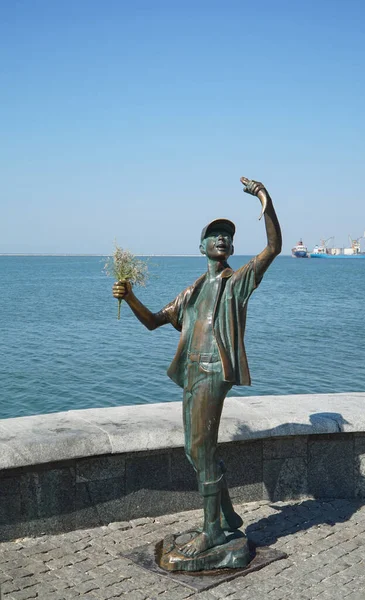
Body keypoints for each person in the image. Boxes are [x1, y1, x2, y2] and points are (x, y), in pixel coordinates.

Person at [113, 177, 282, 558]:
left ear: (232, 247)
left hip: (213, 371)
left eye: (227, 236)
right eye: (214, 235)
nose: (221, 239)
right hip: (190, 372)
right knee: (194, 450)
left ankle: (212, 534)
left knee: (202, 449)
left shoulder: (236, 282)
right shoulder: (191, 292)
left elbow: (274, 247)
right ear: (202, 246)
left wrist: (264, 201)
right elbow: (155, 321)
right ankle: (225, 516)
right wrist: (131, 295)